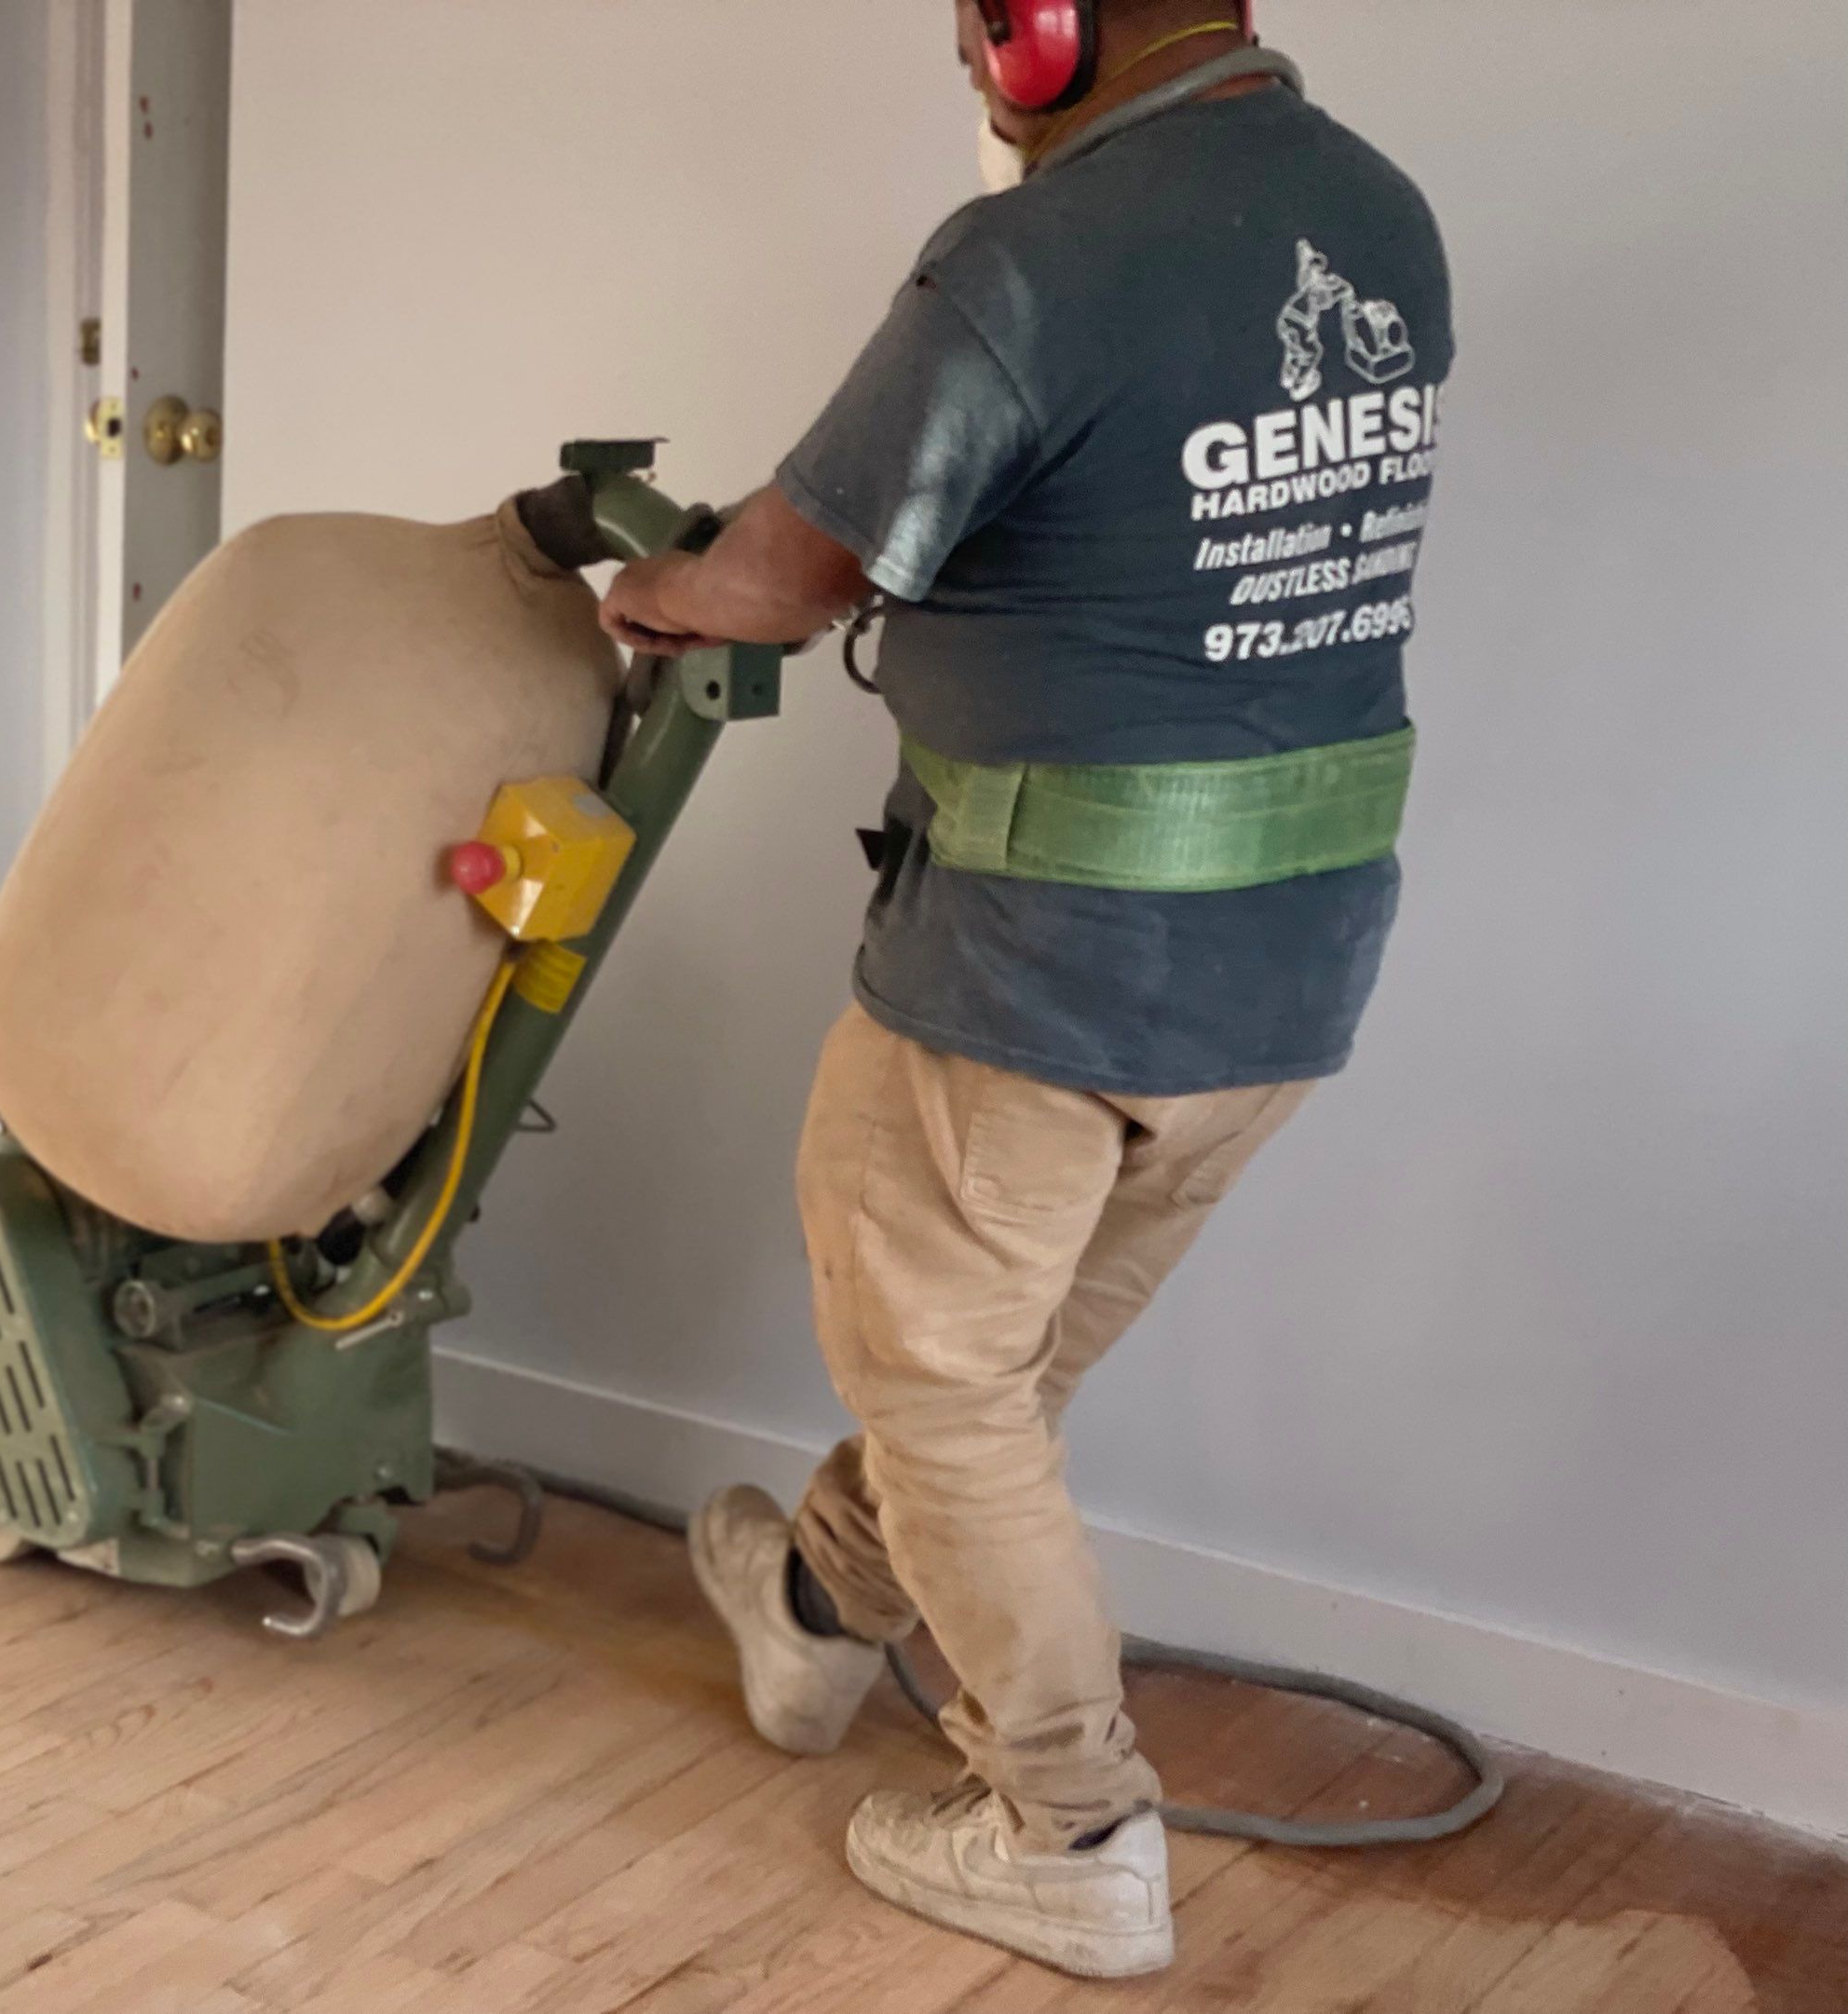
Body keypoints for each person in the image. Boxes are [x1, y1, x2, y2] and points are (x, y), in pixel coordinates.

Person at [596, 0, 1453, 1980]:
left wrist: (652, 587)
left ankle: (1069, 1825)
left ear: (1043, 33)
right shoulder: (1380, 216)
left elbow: (791, 576)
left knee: (944, 1383)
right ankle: (816, 1614)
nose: (979, 63)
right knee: (992, 1369)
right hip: (1290, 969)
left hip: (1037, 968)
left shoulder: (1031, 255)